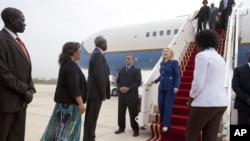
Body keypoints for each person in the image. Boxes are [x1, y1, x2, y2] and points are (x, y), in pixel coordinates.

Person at [185, 30, 228, 141]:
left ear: (200, 42)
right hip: (221, 103)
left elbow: (198, 82)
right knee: (210, 138)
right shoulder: (220, 58)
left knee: (191, 136)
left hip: (205, 103)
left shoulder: (202, 56)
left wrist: (191, 98)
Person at [0, 7, 36, 141]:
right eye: (23, 20)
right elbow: (3, 73)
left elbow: (25, 69)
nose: (25, 24)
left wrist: (31, 88)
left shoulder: (18, 41)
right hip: (6, 104)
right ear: (12, 20)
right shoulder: (1, 39)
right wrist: (24, 90)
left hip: (20, 102)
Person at [40, 42, 87, 140]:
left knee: (58, 134)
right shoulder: (70, 65)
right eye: (79, 50)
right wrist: (81, 103)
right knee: (64, 135)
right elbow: (74, 86)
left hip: (65, 105)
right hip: (68, 107)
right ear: (72, 52)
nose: (80, 52)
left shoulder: (67, 64)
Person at [83, 35, 111, 141]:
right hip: (95, 93)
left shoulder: (97, 54)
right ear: (100, 44)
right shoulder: (98, 55)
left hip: (94, 92)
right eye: (105, 42)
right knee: (91, 119)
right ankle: (89, 138)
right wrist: (103, 93)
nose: (106, 44)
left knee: (92, 118)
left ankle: (90, 137)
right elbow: (99, 75)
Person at [151, 47, 180, 132]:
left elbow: (177, 75)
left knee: (167, 106)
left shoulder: (174, 62)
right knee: (161, 105)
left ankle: (166, 124)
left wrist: (176, 86)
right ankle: (164, 121)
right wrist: (155, 81)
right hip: (162, 87)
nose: (165, 53)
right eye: (164, 52)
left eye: (167, 51)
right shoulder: (162, 63)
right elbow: (162, 75)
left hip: (170, 87)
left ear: (170, 53)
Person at [114, 54, 142, 137]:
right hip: (122, 95)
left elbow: (138, 82)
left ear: (132, 60)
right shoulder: (121, 70)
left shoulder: (136, 70)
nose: (127, 60)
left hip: (132, 95)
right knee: (121, 112)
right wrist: (120, 88)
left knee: (133, 113)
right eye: (126, 59)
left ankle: (135, 129)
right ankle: (121, 128)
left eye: (129, 59)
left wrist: (128, 88)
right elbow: (118, 81)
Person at [232, 50, 250, 125]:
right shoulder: (238, 70)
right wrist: (247, 98)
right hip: (243, 104)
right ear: (247, 56)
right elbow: (235, 86)